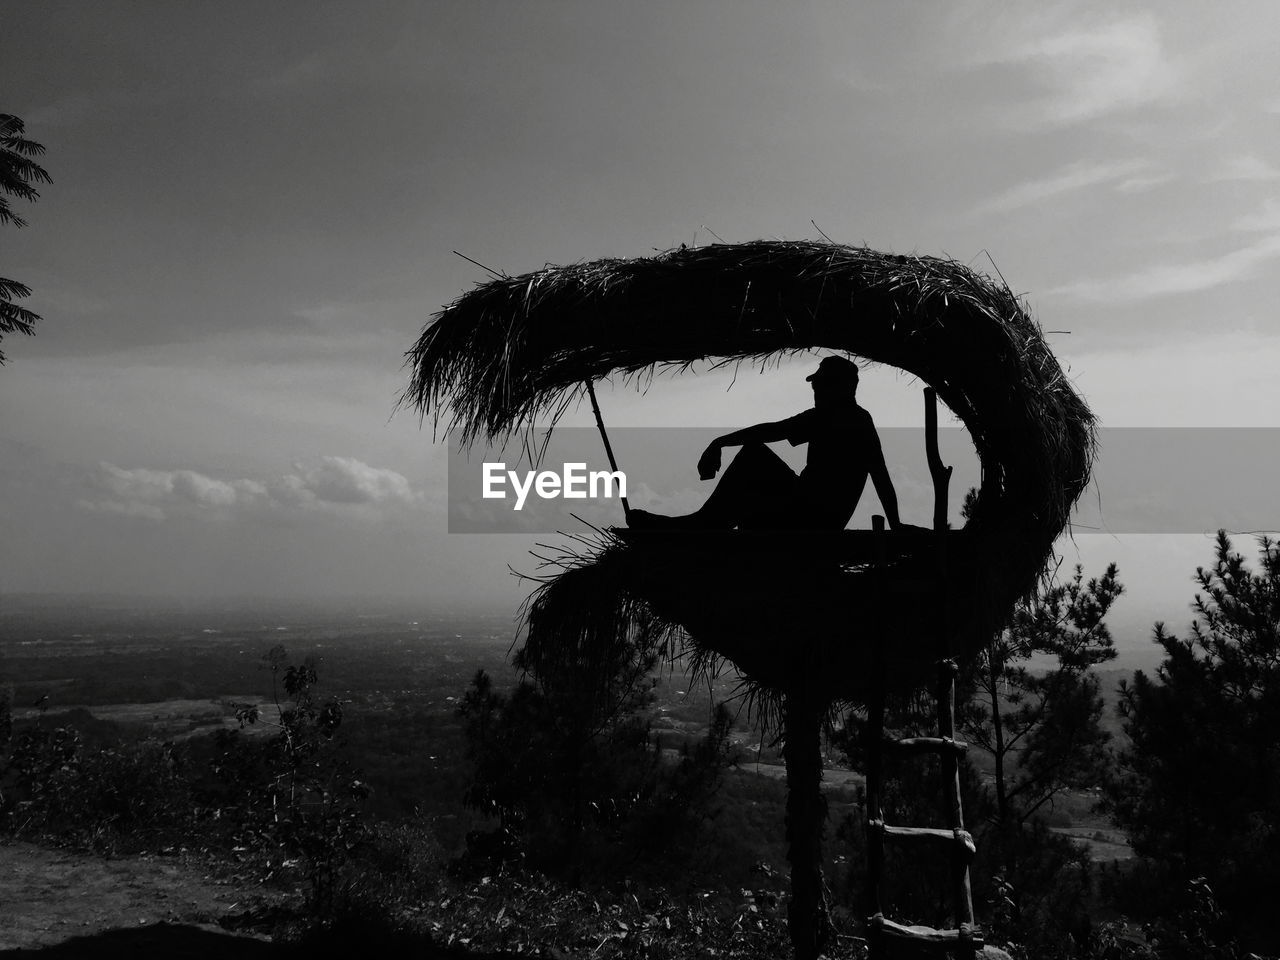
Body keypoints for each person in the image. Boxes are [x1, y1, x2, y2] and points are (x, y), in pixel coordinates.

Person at [628, 355, 902, 532]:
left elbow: (773, 431)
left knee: (753, 456)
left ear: (838, 387)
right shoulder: (851, 419)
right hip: (814, 512)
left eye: (820, 385)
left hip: (812, 518)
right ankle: (708, 521)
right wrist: (897, 525)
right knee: (753, 465)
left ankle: (703, 523)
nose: (815, 391)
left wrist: (720, 442)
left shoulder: (841, 417)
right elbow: (881, 478)